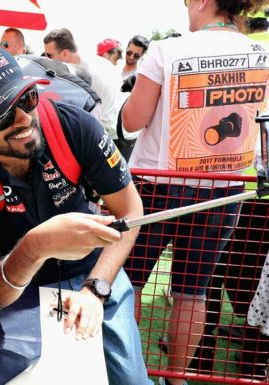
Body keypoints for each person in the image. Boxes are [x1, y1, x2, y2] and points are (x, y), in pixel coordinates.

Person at [0, 45, 149, 385]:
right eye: (1, 114)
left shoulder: (75, 126)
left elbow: (130, 211)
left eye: (27, 97)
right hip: (18, 286)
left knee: (129, 379)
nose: (23, 118)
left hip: (92, 271)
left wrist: (95, 289)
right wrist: (37, 245)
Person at [121, 1, 269, 384]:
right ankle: (176, 377)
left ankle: (130, 372)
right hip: (226, 188)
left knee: (131, 283)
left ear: (203, 1)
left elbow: (132, 121)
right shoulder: (262, 55)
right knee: (193, 291)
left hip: (158, 184)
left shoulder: (167, 50)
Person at [44, 28, 123, 146]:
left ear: (65, 53)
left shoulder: (85, 76)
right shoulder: (96, 62)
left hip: (110, 137)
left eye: (50, 55)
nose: (46, 59)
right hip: (120, 131)